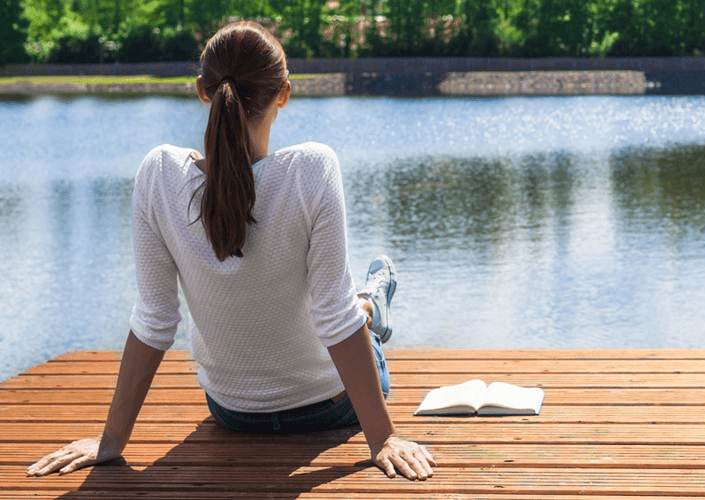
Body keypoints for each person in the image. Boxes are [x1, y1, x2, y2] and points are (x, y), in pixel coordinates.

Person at [26, 21, 436, 480]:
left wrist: (111, 442)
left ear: (202, 90)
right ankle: (374, 304)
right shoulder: (313, 169)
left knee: (344, 309)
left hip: (233, 412)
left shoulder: (159, 175)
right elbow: (334, 319)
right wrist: (383, 438)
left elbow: (155, 320)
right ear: (284, 93)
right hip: (328, 407)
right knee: (357, 320)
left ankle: (369, 302)